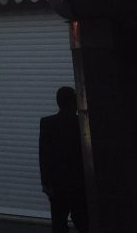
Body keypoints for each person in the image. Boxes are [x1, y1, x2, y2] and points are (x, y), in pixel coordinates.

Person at [39, 86, 88, 233]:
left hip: (57, 184)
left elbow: (44, 155)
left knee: (59, 223)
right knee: (83, 221)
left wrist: (46, 183)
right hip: (78, 184)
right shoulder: (81, 123)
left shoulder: (47, 124)